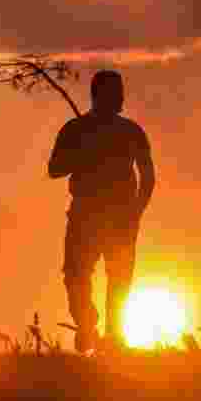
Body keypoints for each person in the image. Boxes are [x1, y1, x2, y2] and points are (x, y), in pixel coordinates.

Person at [48, 70, 155, 353]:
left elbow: (148, 175)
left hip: (122, 216)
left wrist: (137, 211)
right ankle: (87, 324)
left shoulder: (131, 131)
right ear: (98, 94)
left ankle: (114, 336)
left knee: (119, 277)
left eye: (120, 91)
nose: (120, 97)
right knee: (75, 274)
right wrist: (83, 152)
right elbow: (54, 169)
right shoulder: (75, 129)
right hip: (85, 214)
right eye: (114, 91)